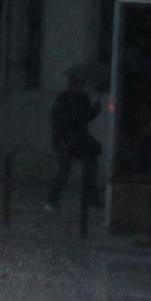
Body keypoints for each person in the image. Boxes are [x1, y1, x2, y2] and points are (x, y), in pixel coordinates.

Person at [44, 73, 102, 211]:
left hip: (79, 138)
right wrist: (62, 139)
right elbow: (56, 121)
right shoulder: (63, 99)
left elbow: (85, 118)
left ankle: (91, 198)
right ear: (71, 84)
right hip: (64, 139)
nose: (80, 86)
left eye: (81, 84)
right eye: (77, 83)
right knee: (64, 168)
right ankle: (51, 200)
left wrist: (95, 111)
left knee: (91, 165)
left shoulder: (83, 98)